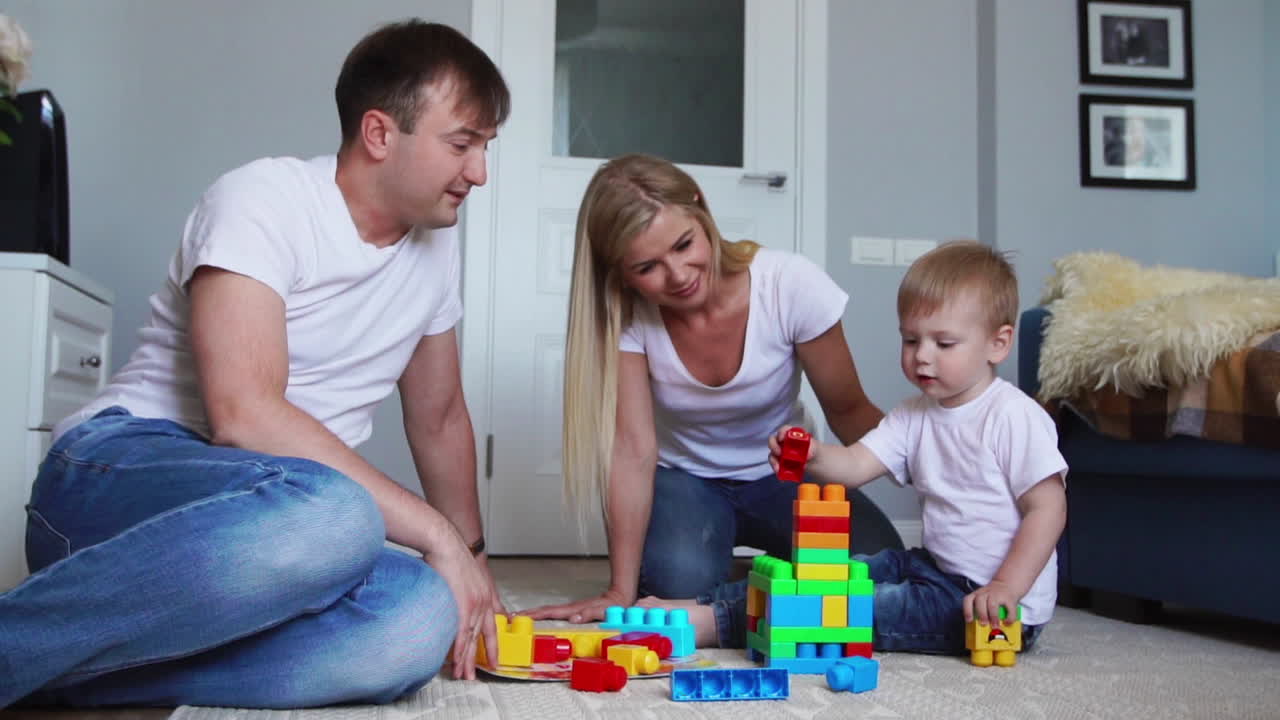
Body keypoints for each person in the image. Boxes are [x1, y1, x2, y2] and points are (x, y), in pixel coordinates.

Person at [0, 20, 510, 709]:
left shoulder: (436, 249)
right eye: (462, 144)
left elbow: (440, 417)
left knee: (418, 617)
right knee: (337, 515)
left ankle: (66, 671)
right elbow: (245, 417)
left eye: (485, 147)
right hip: (118, 478)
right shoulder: (262, 198)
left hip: (276, 528)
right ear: (380, 133)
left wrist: (472, 566)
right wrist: (435, 533)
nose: (479, 172)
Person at [525, 153, 903, 648]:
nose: (678, 274)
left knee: (881, 569)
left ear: (700, 208)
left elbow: (849, 410)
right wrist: (619, 590)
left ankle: (742, 583)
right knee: (675, 586)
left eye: (684, 245)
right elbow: (633, 451)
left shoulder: (789, 284)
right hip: (686, 479)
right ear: (621, 274)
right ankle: (749, 581)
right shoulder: (630, 316)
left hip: (784, 473)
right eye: (647, 267)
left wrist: (936, 464)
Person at [767, 240, 1068, 653]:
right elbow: (856, 464)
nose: (922, 356)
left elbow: (1048, 509)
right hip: (934, 566)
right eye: (911, 340)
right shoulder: (913, 414)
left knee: (852, 608)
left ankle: (728, 621)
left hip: (987, 603)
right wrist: (813, 455)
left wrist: (1006, 586)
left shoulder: (1014, 416)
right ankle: (720, 607)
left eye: (943, 344)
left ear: (997, 344)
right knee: (834, 573)